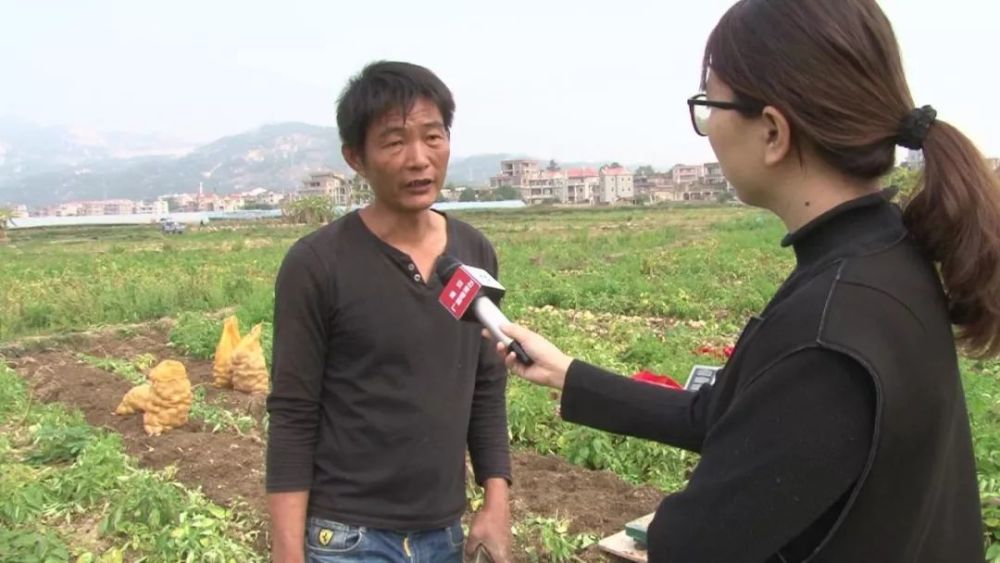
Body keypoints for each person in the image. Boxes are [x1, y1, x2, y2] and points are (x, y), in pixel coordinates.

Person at [491, 1, 1000, 561]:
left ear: (775, 131)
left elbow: (691, 545)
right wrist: (569, 374)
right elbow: (728, 416)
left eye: (711, 104)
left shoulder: (829, 327)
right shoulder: (885, 260)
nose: (707, 129)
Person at [266, 61, 512, 563]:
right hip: (348, 539)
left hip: (444, 533)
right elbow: (293, 414)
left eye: (433, 136)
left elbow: (485, 386)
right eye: (395, 142)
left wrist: (496, 500)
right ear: (356, 157)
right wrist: (287, 554)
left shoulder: (473, 252)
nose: (419, 159)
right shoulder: (317, 264)